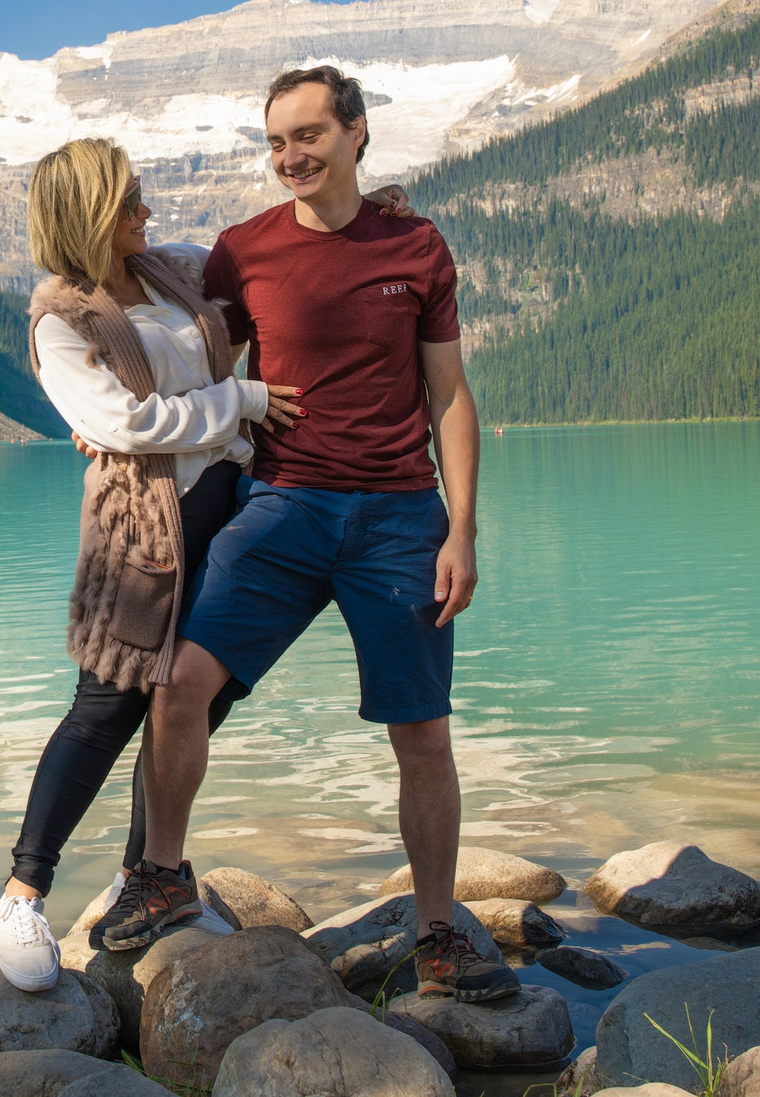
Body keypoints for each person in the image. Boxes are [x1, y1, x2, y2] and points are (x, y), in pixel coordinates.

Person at [103, 66, 517, 1003]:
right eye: (277, 141)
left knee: (422, 735)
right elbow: (172, 341)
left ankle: (440, 934)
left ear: (356, 133)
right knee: (180, 686)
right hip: (281, 505)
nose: (291, 156)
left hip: (400, 519)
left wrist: (462, 529)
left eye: (309, 136)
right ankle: (163, 879)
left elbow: (449, 395)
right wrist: (107, 413)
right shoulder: (241, 252)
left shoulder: (416, 245)